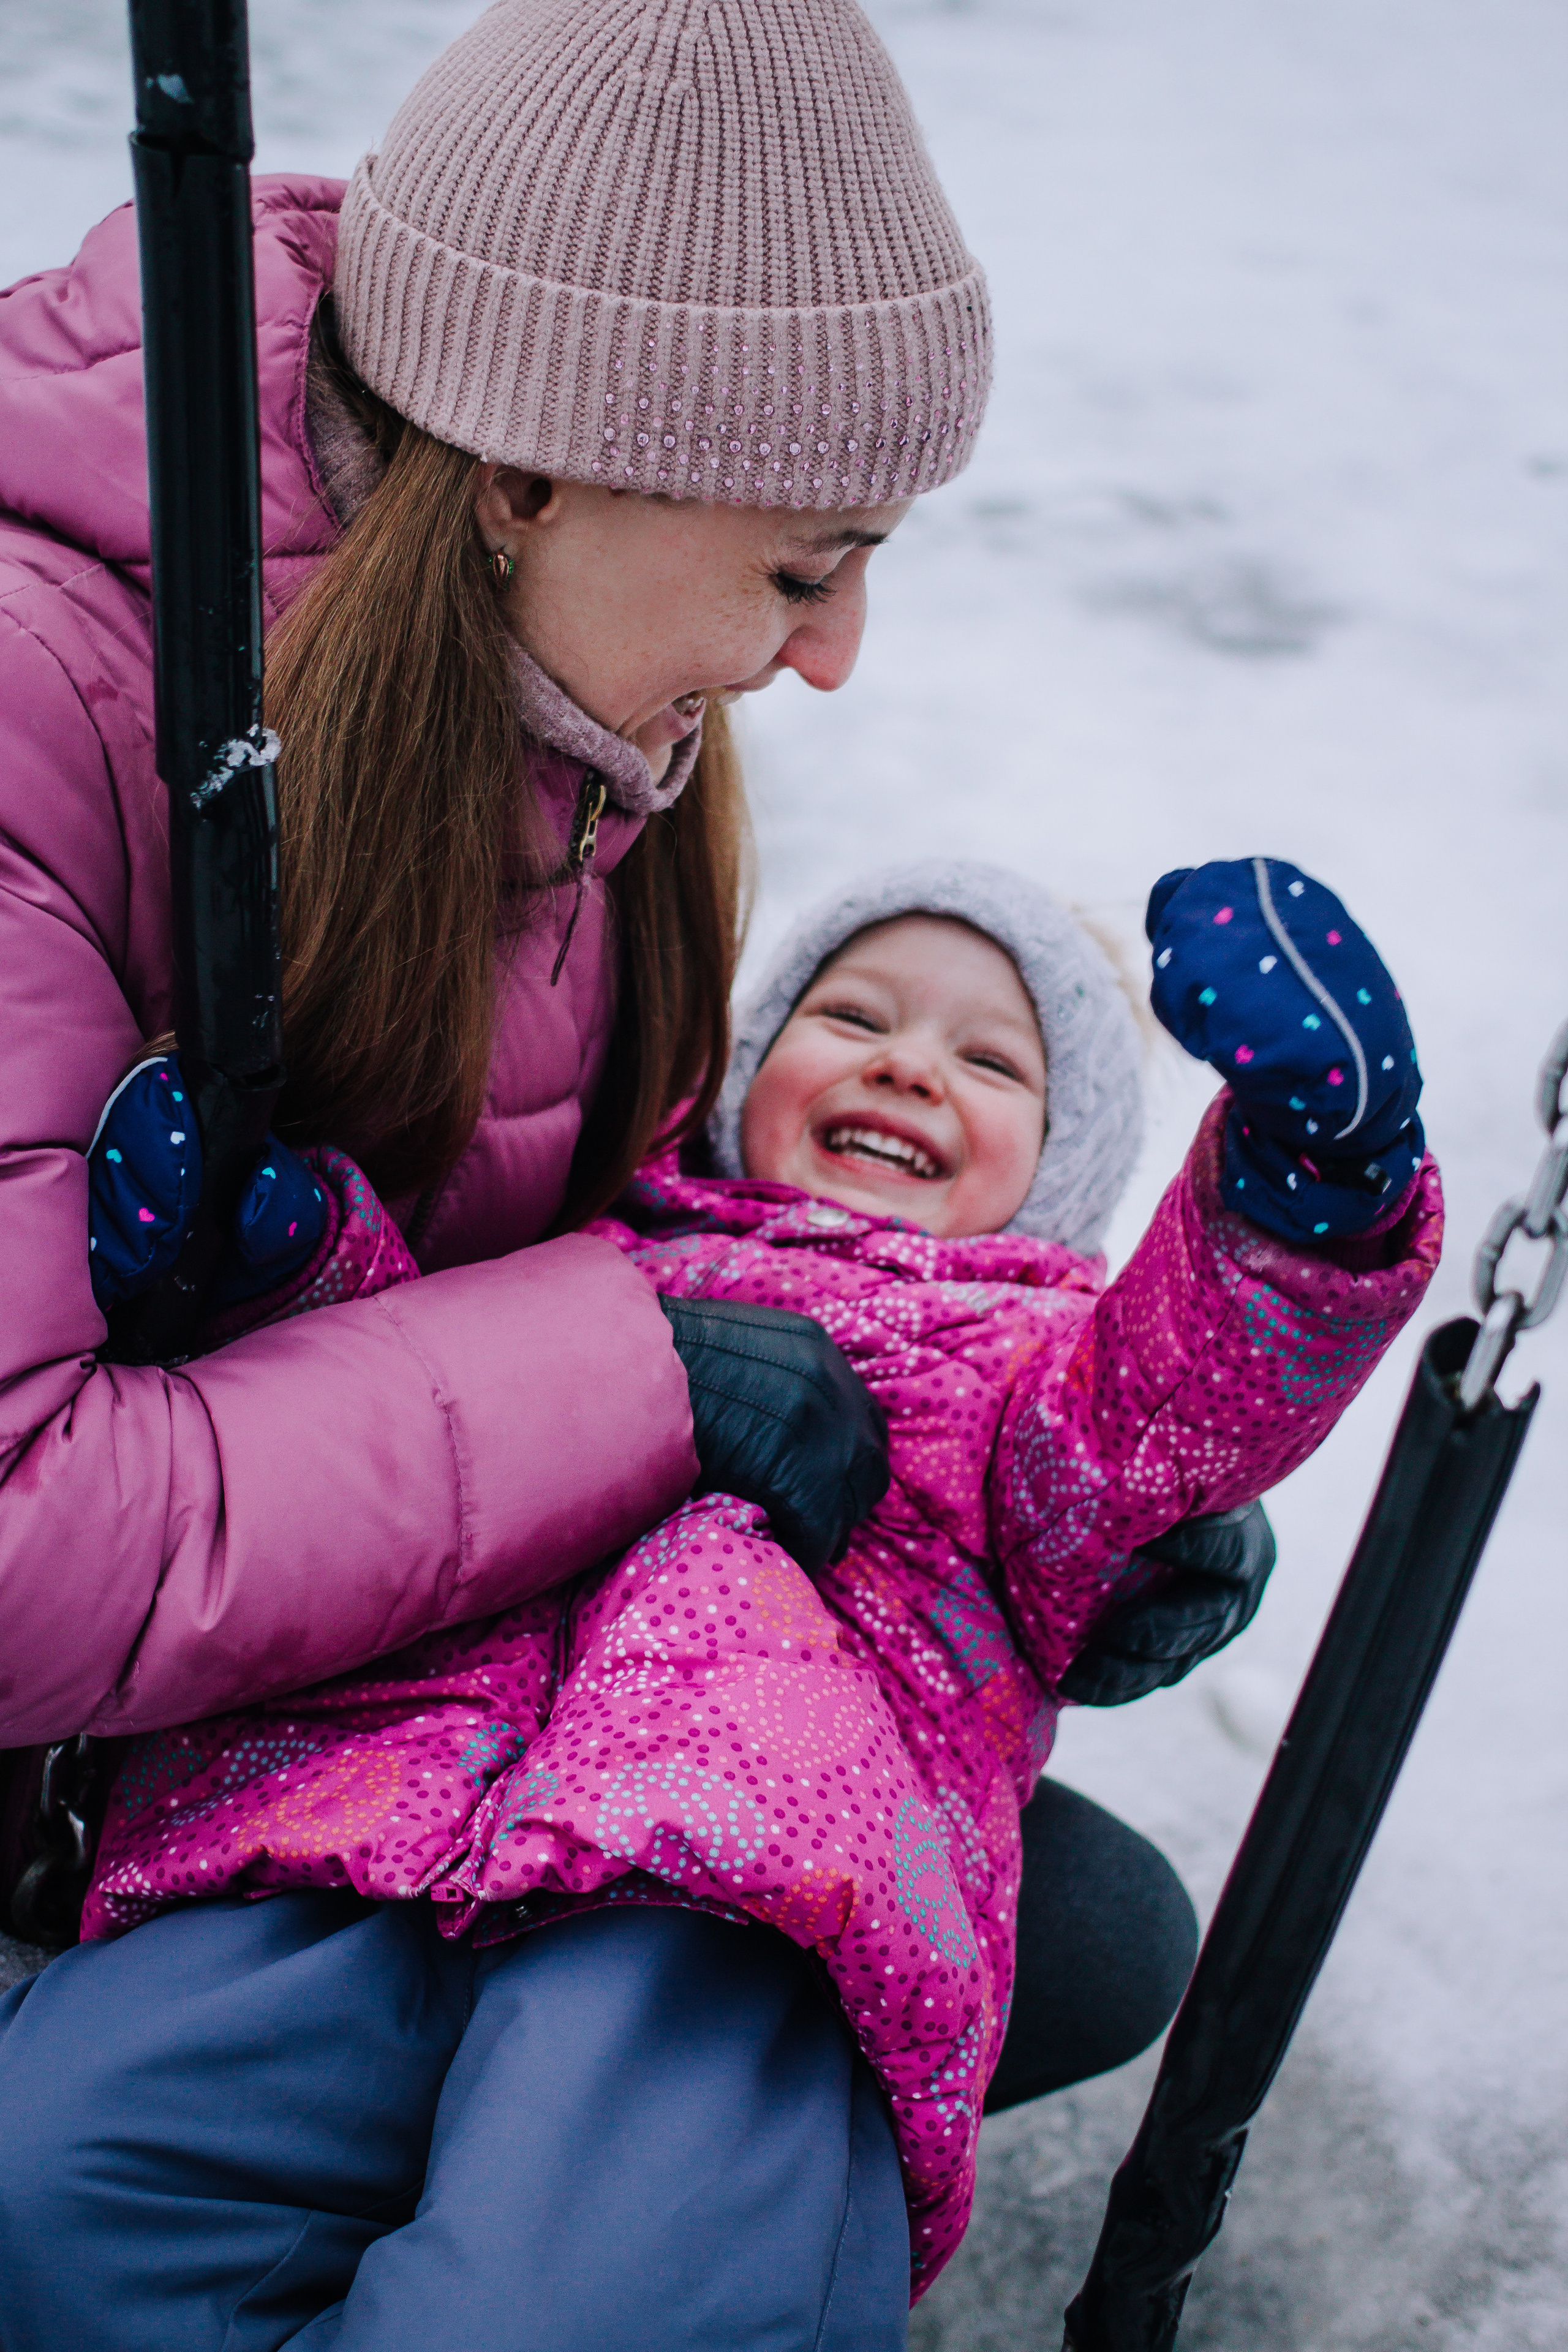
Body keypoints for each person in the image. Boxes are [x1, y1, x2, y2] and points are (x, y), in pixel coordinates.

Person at [16, 850, 1439, 2334]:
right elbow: (398, 1382)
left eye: (986, 1058)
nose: (905, 1067)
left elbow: (1183, 1394)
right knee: (58, 2183)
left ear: (1060, 1164)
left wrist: (1310, 1192)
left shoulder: (1032, 1377)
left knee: (555, 2305)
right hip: (349, 1844)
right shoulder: (593, 1246)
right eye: (855, 1015)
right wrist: (274, 1250)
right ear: (748, 1066)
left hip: (724, 1917)